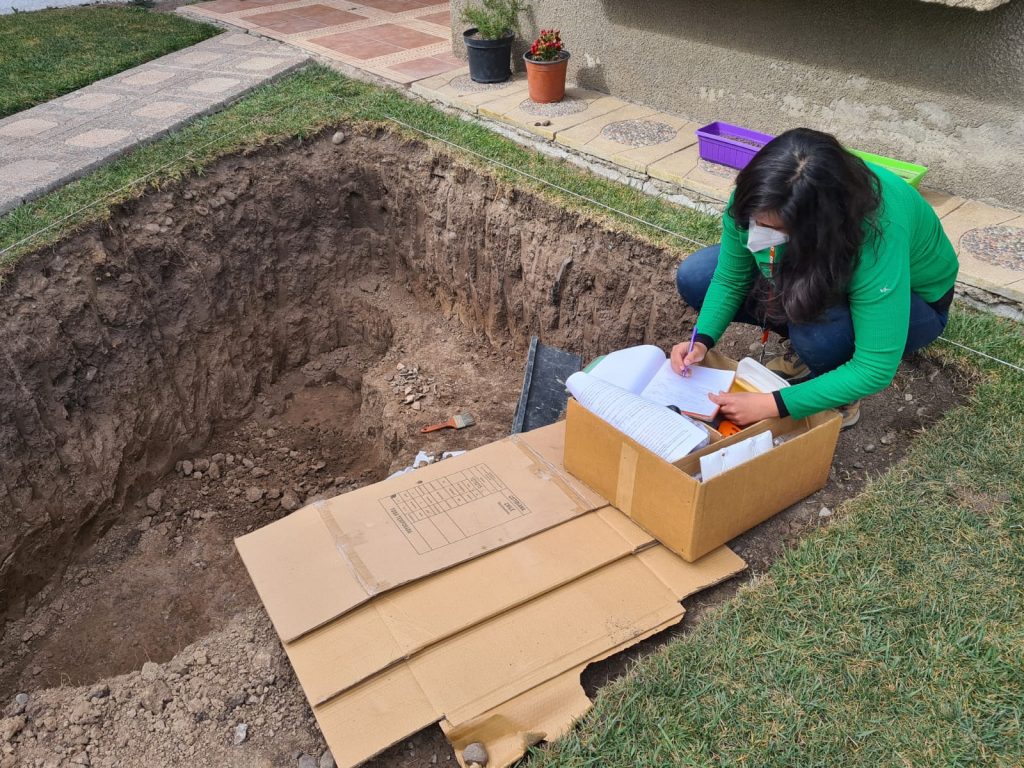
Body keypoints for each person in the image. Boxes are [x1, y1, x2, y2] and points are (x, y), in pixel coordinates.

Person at [672, 127, 958, 429]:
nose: (757, 233)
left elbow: (875, 368)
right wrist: (701, 340)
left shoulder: (879, 233)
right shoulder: (760, 195)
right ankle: (811, 349)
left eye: (774, 228)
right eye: (755, 222)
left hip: (915, 306)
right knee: (697, 275)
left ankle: (838, 392)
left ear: (821, 226)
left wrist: (775, 404)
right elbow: (730, 278)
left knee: (817, 335)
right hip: (813, 264)